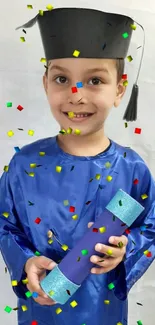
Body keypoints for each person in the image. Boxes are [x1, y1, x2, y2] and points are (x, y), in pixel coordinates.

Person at [0, 7, 155, 325]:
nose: (76, 95)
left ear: (120, 89)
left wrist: (126, 251)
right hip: (41, 309)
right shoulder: (24, 165)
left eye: (95, 80)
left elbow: (150, 226)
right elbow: (5, 226)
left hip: (103, 310)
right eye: (61, 78)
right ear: (45, 84)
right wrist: (26, 262)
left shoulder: (132, 169)